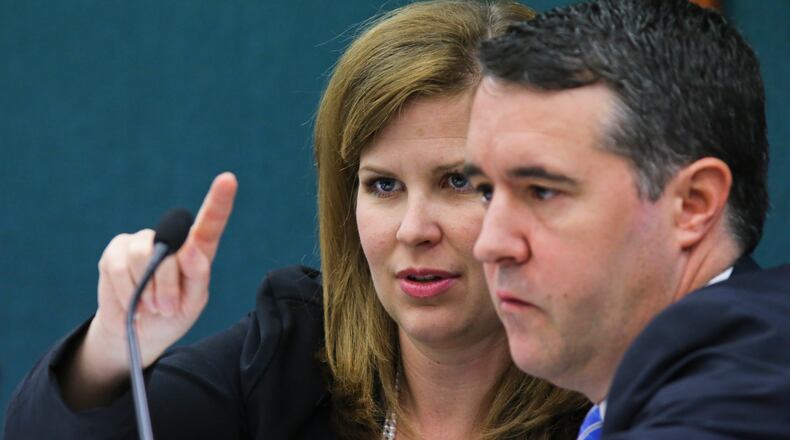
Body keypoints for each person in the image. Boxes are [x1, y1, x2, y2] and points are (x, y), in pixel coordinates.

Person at [4, 1, 588, 439]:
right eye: (383, 185)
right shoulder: (292, 357)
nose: (413, 229)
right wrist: (114, 344)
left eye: (457, 181)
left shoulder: (610, 394)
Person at [463, 0, 790, 438]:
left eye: (542, 191)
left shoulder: (737, 408)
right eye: (485, 190)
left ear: (692, 204)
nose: (488, 244)